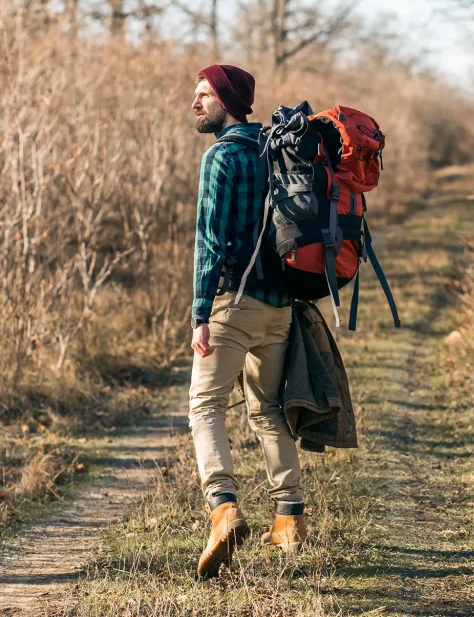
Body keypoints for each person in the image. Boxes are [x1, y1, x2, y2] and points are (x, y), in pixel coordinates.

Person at [188, 64, 308, 579]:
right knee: (267, 411)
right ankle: (289, 521)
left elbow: (210, 242)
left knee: (206, 405)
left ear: (228, 101)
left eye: (205, 95)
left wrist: (200, 314)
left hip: (233, 305)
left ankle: (223, 509)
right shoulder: (275, 149)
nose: (196, 104)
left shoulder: (222, 156)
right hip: (279, 308)